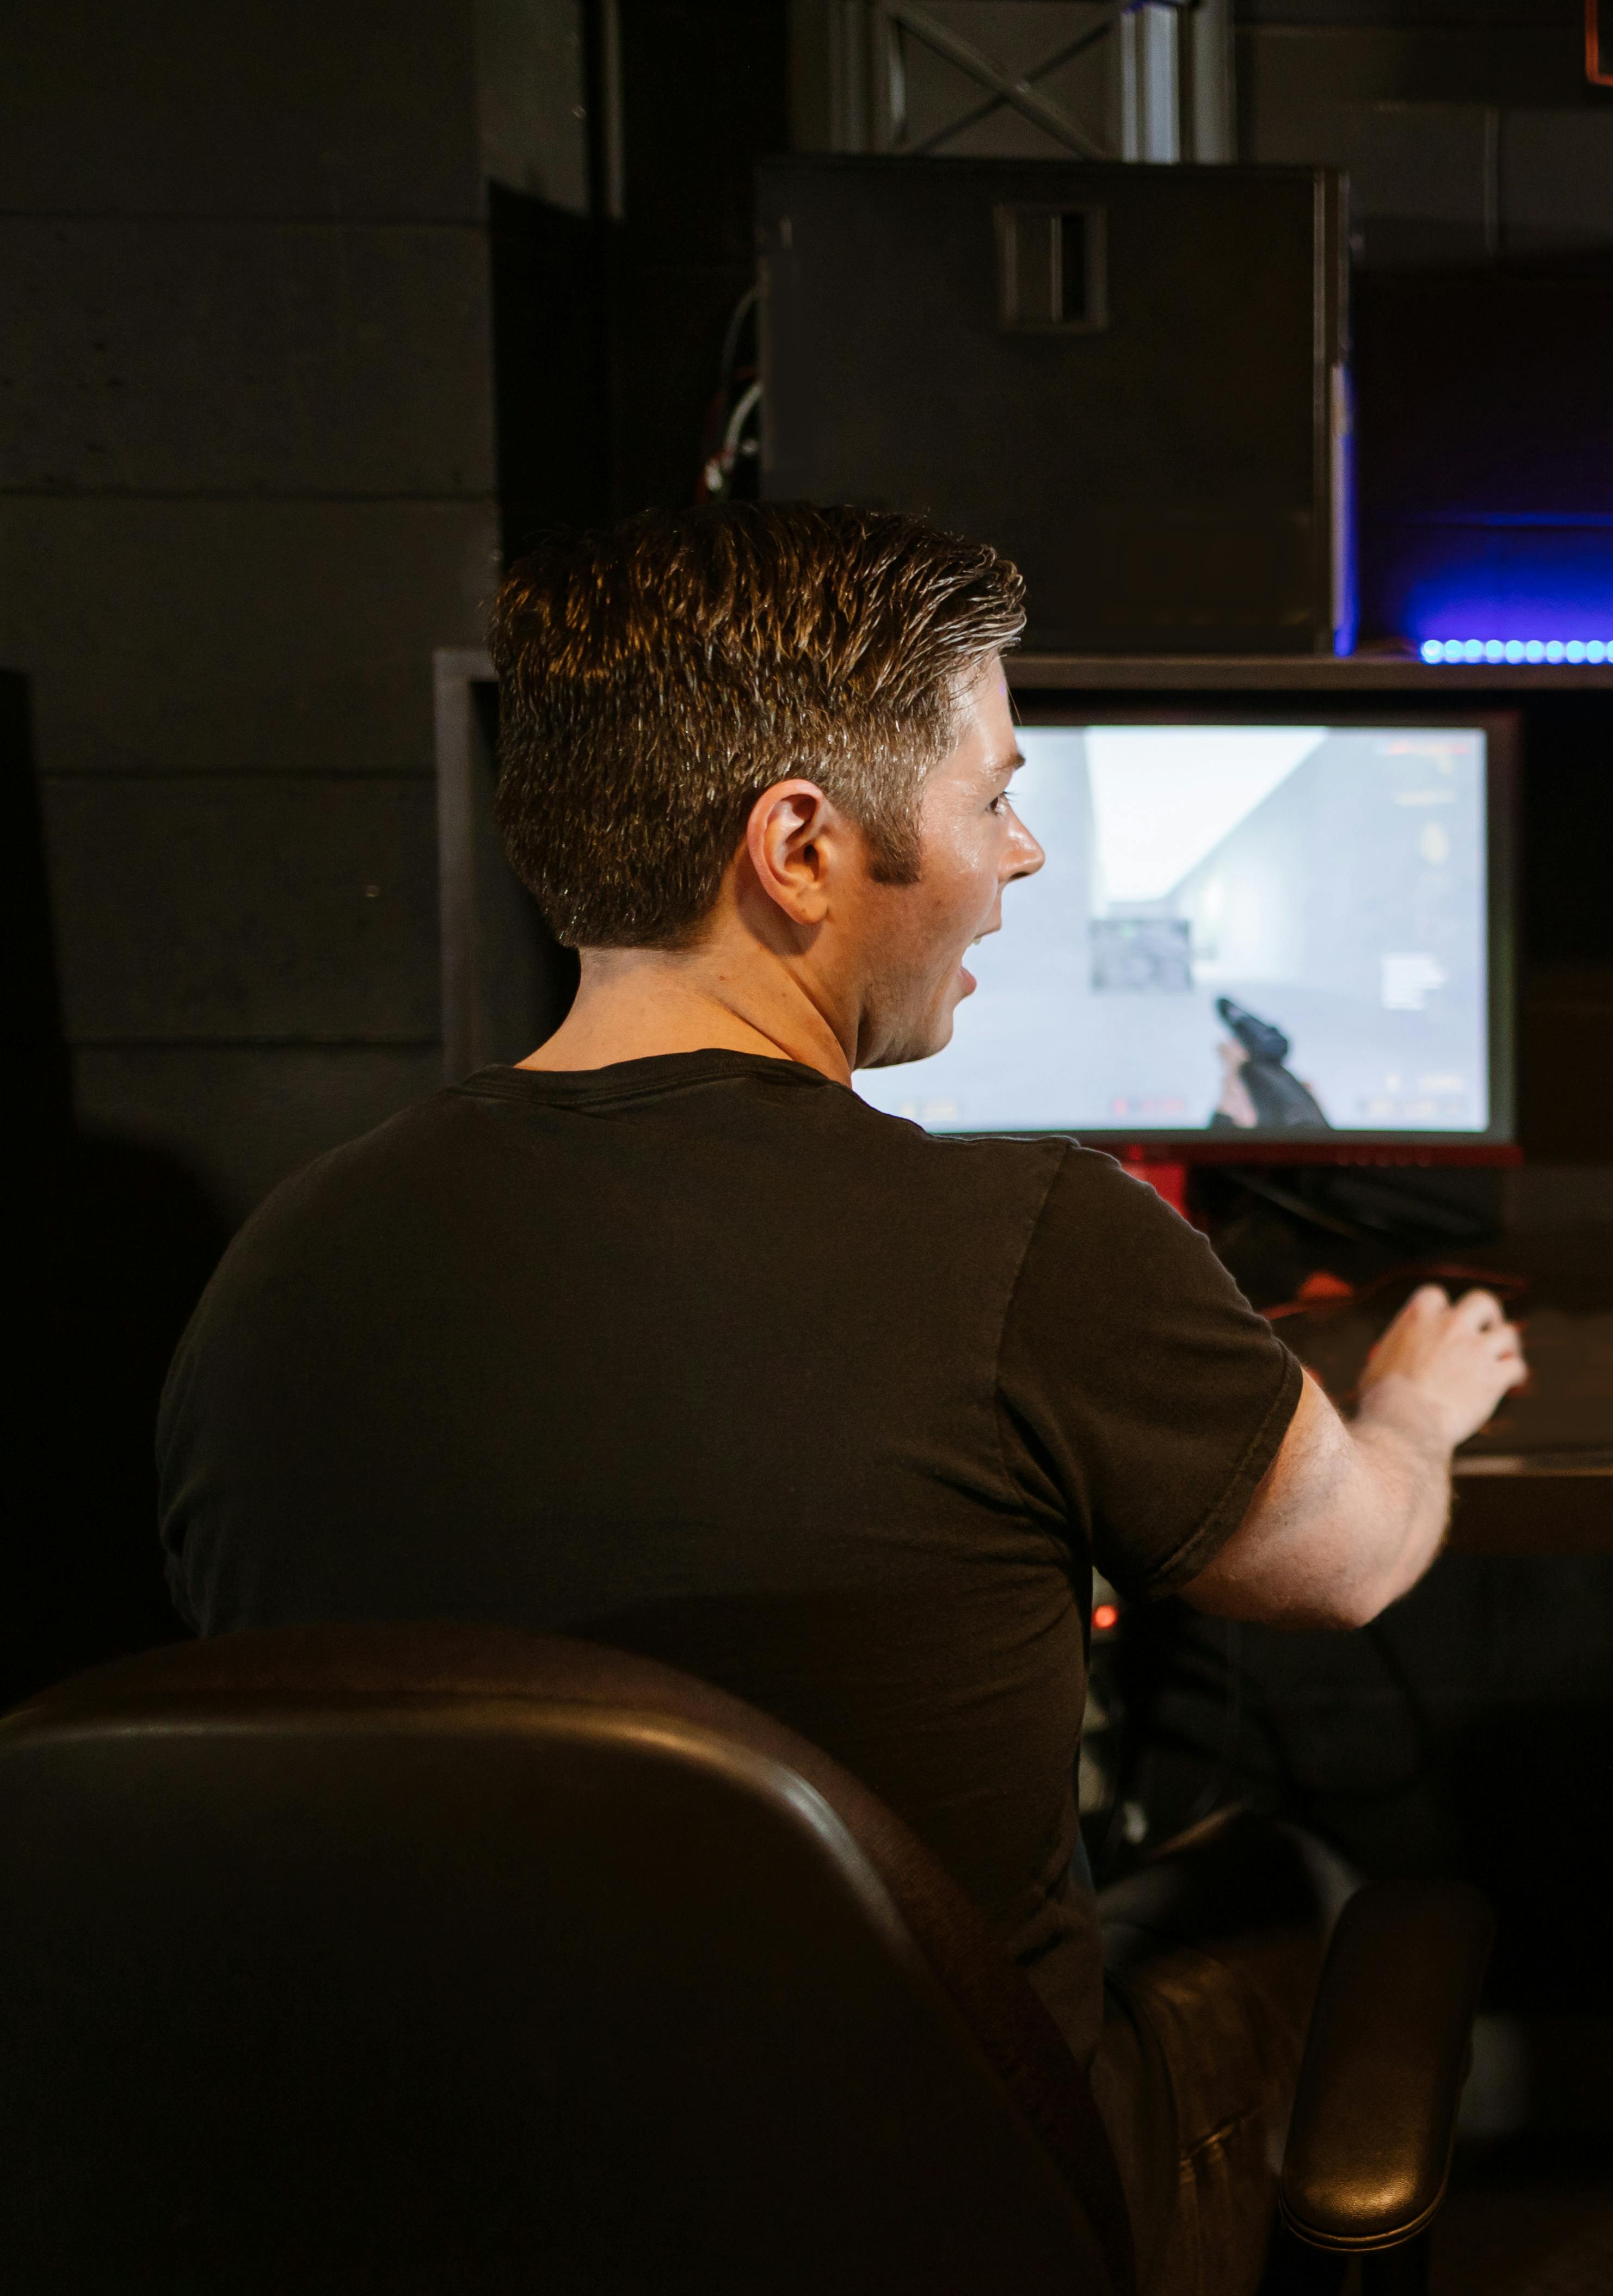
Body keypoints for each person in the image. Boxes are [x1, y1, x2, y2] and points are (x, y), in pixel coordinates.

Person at [155, 504, 1523, 2292]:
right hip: (946, 2214)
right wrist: (1412, 1412)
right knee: (1295, 1888)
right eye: (991, 793)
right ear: (800, 844)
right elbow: (1340, 1566)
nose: (1024, 853)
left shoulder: (276, 1274)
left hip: (437, 2205)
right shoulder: (1038, 1244)